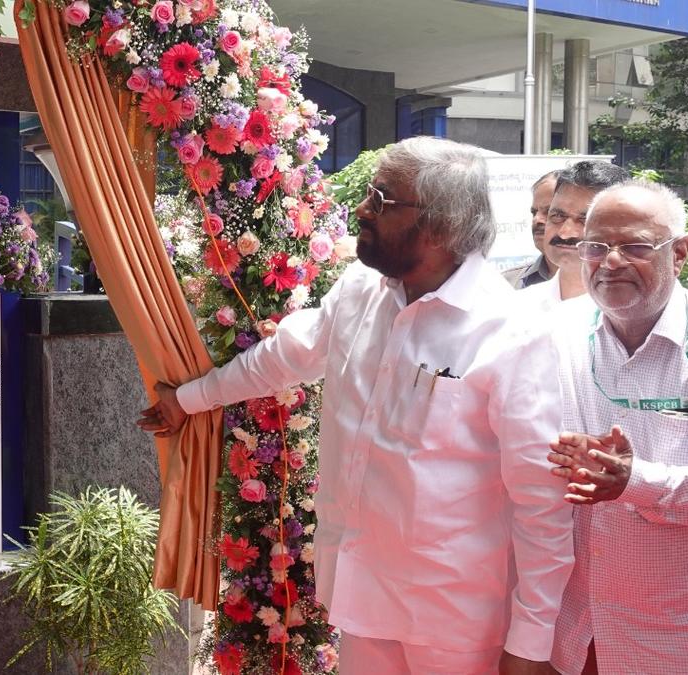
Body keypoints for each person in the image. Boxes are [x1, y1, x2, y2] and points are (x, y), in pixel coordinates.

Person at [138, 137, 572, 674]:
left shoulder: (510, 331)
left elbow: (542, 503)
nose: (361, 210)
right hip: (360, 592)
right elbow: (285, 358)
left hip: (456, 617)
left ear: (439, 227)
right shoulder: (362, 289)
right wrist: (189, 400)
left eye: (381, 200)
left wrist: (531, 642)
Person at [546, 180, 688, 674]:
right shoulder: (552, 334)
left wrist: (635, 482)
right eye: (597, 246)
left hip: (684, 643)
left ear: (681, 253)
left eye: (636, 246)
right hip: (575, 636)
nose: (611, 261)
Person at [520, 161, 629, 309]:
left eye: (585, 220)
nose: (565, 233)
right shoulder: (519, 308)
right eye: (557, 216)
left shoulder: (637, 314)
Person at [503, 171, 559, 289]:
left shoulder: (601, 285)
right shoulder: (508, 284)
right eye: (534, 212)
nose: (537, 219)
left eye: (549, 211)